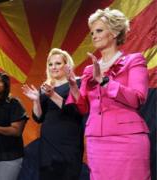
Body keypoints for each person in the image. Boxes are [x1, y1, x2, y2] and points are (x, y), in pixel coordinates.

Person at [65, 8, 151, 180]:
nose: (94, 36)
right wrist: (73, 86)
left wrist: (104, 81)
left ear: (113, 33)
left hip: (127, 139)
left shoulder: (134, 60)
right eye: (92, 33)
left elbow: (137, 98)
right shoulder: (90, 69)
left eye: (99, 30)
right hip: (96, 141)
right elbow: (83, 107)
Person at [22, 48, 84, 180]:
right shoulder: (45, 87)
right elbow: (38, 118)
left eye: (58, 63)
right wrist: (36, 100)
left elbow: (76, 110)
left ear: (67, 65)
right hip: (48, 143)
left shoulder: (77, 83)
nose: (53, 67)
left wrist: (52, 95)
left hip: (68, 141)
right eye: (50, 64)